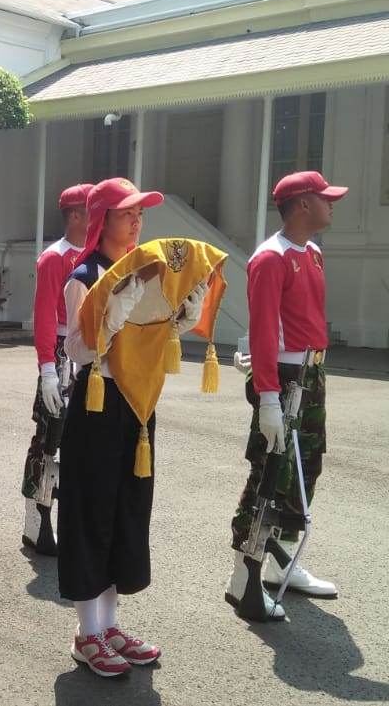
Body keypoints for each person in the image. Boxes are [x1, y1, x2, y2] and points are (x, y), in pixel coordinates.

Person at [58, 178, 212, 678]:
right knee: (92, 513)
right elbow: (77, 349)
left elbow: (153, 335)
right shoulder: (84, 276)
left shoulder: (147, 271)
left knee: (125, 510)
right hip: (98, 403)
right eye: (127, 213)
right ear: (102, 219)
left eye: (140, 214)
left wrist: (181, 317)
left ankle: (109, 624)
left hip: (137, 406)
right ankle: (87, 632)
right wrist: (113, 313)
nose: (137, 222)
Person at [224, 171, 345, 619]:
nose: (331, 204)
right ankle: (244, 574)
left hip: (311, 373)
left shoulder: (312, 252)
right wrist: (268, 397)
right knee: (270, 473)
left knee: (304, 468)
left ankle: (281, 563)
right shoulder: (270, 257)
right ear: (302, 205)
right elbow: (262, 331)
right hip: (285, 376)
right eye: (324, 198)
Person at [20, 184, 90, 554]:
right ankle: (36, 516)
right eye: (91, 209)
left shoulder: (98, 254)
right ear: (74, 215)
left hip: (90, 350)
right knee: (49, 439)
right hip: (62, 351)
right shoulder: (55, 257)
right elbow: (46, 314)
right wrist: (47, 367)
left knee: (81, 442)